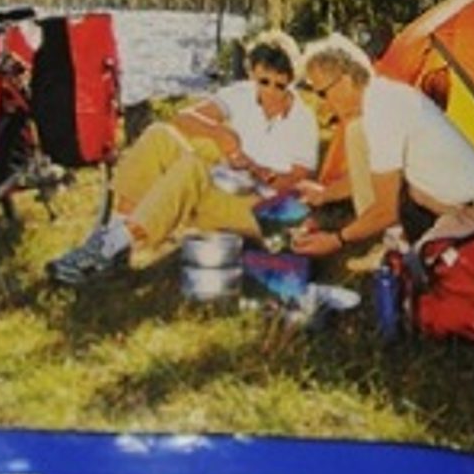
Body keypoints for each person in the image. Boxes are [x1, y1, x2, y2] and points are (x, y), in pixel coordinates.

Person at [47, 33, 320, 285]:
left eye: (280, 85)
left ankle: (105, 249)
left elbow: (296, 184)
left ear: (291, 81)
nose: (271, 91)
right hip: (224, 190)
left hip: (259, 210)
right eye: (264, 82)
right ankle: (116, 245)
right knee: (159, 135)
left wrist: (257, 171)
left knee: (195, 166)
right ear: (252, 74)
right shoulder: (241, 94)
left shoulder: (303, 121)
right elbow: (183, 118)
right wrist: (219, 133)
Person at [290, 33, 474, 264]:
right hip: (458, 210)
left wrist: (337, 240)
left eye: (322, 93)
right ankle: (396, 245)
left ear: (345, 81)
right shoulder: (382, 98)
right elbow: (372, 178)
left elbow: (386, 210)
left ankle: (395, 246)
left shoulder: (383, 110)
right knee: (356, 131)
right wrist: (324, 194)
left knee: (417, 275)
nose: (323, 104)